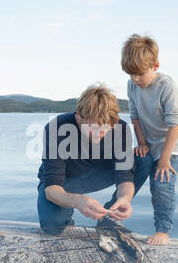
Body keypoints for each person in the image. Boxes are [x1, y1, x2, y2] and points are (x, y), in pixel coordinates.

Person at [37, 83, 153, 235]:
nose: (100, 133)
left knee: (143, 160)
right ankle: (66, 215)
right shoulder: (57, 128)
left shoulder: (121, 129)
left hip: (97, 175)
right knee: (53, 227)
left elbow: (125, 176)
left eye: (106, 127)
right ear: (79, 117)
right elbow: (52, 190)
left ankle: (109, 218)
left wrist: (125, 198)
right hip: (63, 181)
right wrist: (78, 201)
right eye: (93, 127)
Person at [121, 34, 178, 245]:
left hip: (174, 142)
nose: (135, 79)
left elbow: (175, 125)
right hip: (150, 141)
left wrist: (164, 158)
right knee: (135, 171)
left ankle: (163, 230)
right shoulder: (132, 85)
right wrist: (141, 143)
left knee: (161, 183)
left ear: (155, 65)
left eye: (140, 74)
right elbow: (134, 116)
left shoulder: (166, 87)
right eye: (131, 74)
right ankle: (112, 214)